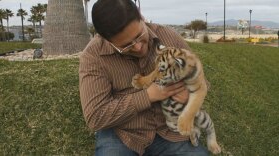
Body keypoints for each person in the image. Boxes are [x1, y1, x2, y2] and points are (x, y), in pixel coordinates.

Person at [79, 0, 209, 155]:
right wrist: (149, 95)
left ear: (141, 16)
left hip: (169, 130)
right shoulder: (93, 56)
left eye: (140, 36)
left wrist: (188, 95)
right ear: (105, 40)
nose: (138, 47)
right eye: (126, 46)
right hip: (122, 133)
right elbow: (96, 117)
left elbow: (201, 81)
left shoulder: (168, 36)